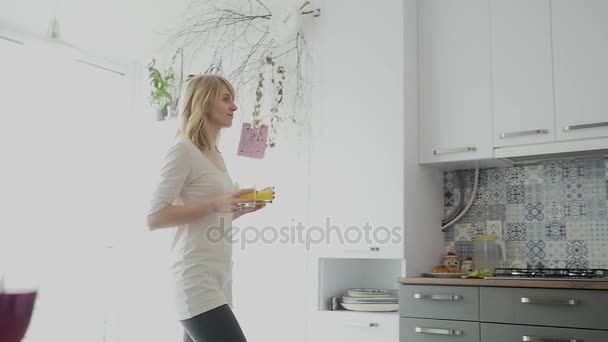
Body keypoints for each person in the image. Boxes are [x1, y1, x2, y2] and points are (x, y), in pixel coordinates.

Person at [146, 74, 263, 342]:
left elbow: (207, 216)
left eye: (233, 99)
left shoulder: (215, 155)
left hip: (218, 278)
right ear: (203, 103)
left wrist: (236, 210)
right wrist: (215, 204)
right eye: (225, 99)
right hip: (195, 280)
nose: (234, 106)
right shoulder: (183, 151)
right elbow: (154, 218)